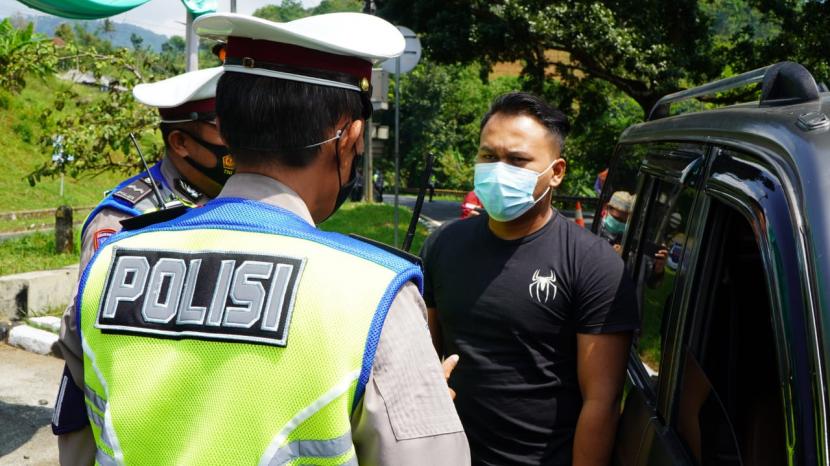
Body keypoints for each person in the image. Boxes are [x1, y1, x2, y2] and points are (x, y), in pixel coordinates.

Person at [66, 12, 468, 465]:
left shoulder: (108, 264)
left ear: (229, 129)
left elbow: (77, 437)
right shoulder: (374, 294)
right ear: (348, 136)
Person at [420, 92, 639, 465]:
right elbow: (423, 355)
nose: (498, 169)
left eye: (517, 160)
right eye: (488, 156)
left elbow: (600, 403)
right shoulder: (444, 244)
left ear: (556, 172)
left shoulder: (592, 263)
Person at [51, 66, 231, 464]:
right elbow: (93, 333)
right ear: (181, 141)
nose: (239, 139)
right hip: (111, 424)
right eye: (223, 126)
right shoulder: (124, 219)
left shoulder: (233, 202)